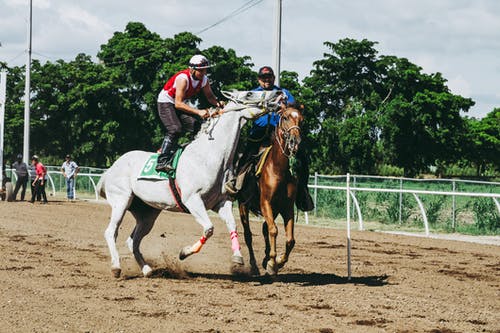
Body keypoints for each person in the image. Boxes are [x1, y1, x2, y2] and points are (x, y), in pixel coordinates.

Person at [228, 66, 314, 211]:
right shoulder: (253, 94)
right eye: (263, 78)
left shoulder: (284, 93)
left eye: (269, 77)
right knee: (245, 159)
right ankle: (236, 187)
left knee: (303, 158)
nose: (266, 80)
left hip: (280, 135)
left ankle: (303, 192)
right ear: (259, 79)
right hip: (258, 135)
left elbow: (295, 106)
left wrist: (286, 105)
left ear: (273, 78)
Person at [155, 54, 224, 172]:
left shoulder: (204, 80)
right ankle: (162, 161)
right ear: (192, 69)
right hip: (166, 102)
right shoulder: (183, 79)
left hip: (179, 103)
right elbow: (178, 104)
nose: (203, 73)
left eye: (205, 70)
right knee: (175, 129)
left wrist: (219, 104)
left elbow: (210, 97)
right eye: (200, 70)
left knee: (198, 126)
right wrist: (198, 112)